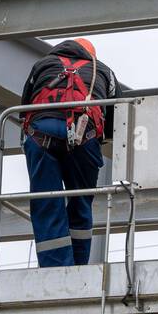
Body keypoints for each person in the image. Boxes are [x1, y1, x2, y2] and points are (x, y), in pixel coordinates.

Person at [19, 37, 117, 268]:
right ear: (91, 55)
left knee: (46, 203)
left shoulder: (42, 65)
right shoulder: (103, 71)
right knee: (80, 204)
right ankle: (78, 269)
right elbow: (114, 122)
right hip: (84, 137)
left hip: (40, 134)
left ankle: (55, 268)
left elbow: (25, 106)